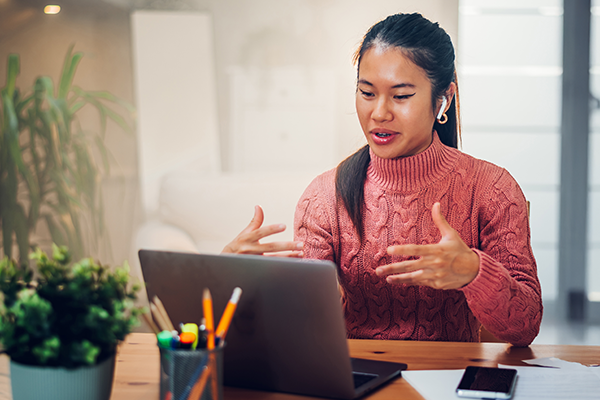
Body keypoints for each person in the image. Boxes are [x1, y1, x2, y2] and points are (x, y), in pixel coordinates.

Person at [223, 13, 542, 347]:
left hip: (450, 381)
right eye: (367, 92)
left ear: (443, 99)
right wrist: (236, 280)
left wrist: (474, 272)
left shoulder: (491, 189)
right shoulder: (324, 198)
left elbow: (525, 328)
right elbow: (300, 332)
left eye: (401, 96)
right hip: (355, 381)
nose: (379, 113)